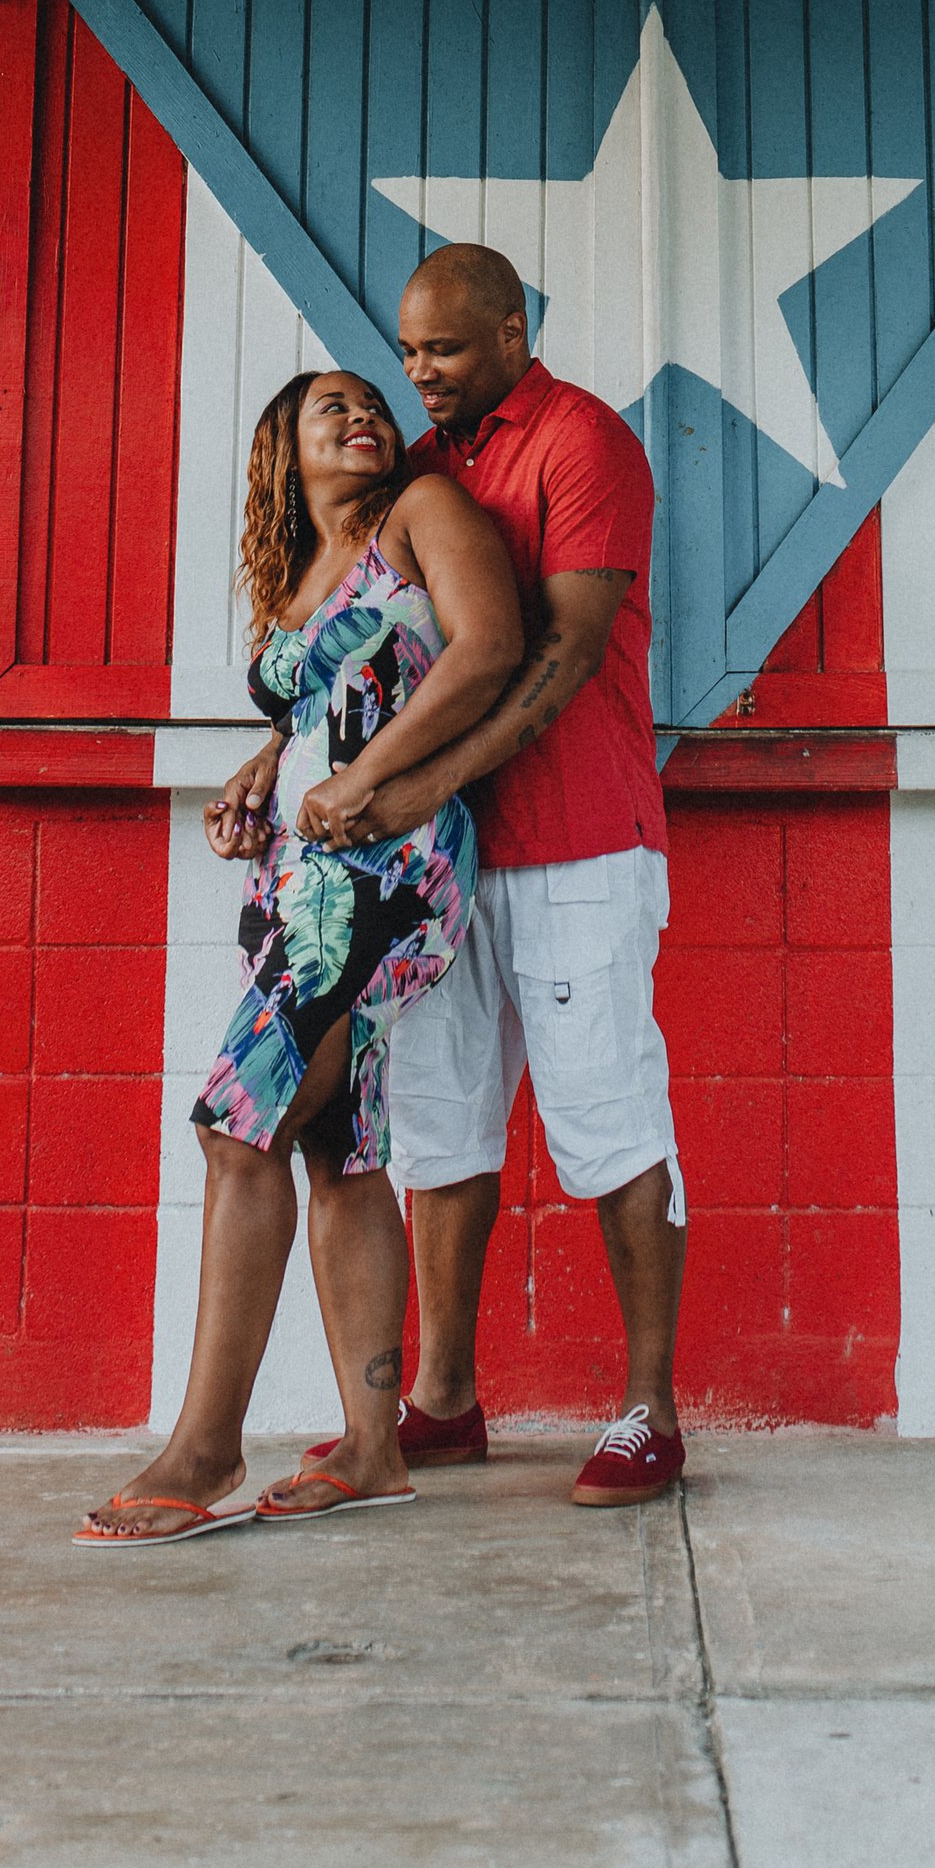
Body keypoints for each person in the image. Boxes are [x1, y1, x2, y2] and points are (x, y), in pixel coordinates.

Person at [237, 244, 688, 1507]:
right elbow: (370, 651)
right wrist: (269, 760)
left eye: (442, 348)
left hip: (581, 841)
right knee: (439, 1124)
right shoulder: (425, 470)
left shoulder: (582, 441)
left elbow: (565, 651)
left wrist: (422, 780)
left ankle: (650, 1410)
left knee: (607, 1116)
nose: (419, 372)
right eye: (408, 351)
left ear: (510, 333)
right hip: (438, 868)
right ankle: (443, 1399)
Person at [77, 367, 521, 1543]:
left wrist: (362, 776)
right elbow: (322, 706)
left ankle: (204, 1449)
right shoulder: (295, 575)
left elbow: (487, 649)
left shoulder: (419, 514)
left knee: (239, 1129)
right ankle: (375, 1448)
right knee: (340, 1144)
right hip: (300, 879)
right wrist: (261, 775)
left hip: (388, 867)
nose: (364, 417)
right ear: (285, 445)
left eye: (372, 404)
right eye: (334, 408)